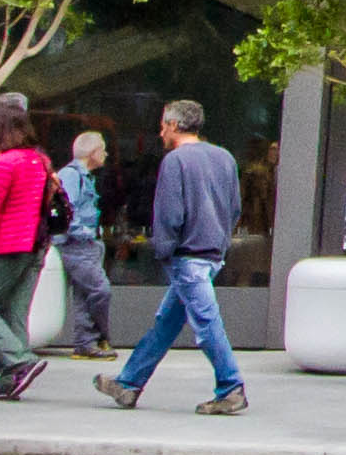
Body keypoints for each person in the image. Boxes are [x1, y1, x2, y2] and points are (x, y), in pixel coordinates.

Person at [96, 101, 251, 415]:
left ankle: (231, 386)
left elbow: (169, 213)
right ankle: (128, 384)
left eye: (163, 125)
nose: (160, 131)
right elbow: (235, 207)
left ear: (176, 126)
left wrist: (162, 250)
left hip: (187, 255)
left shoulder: (175, 161)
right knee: (166, 324)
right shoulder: (224, 157)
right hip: (211, 253)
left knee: (206, 324)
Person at [56, 129, 118, 358]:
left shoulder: (84, 176)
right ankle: (101, 337)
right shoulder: (72, 176)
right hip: (76, 245)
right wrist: (81, 232)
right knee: (101, 290)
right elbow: (66, 211)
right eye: (103, 149)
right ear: (92, 152)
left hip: (87, 244)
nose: (107, 154)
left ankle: (85, 343)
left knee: (85, 294)